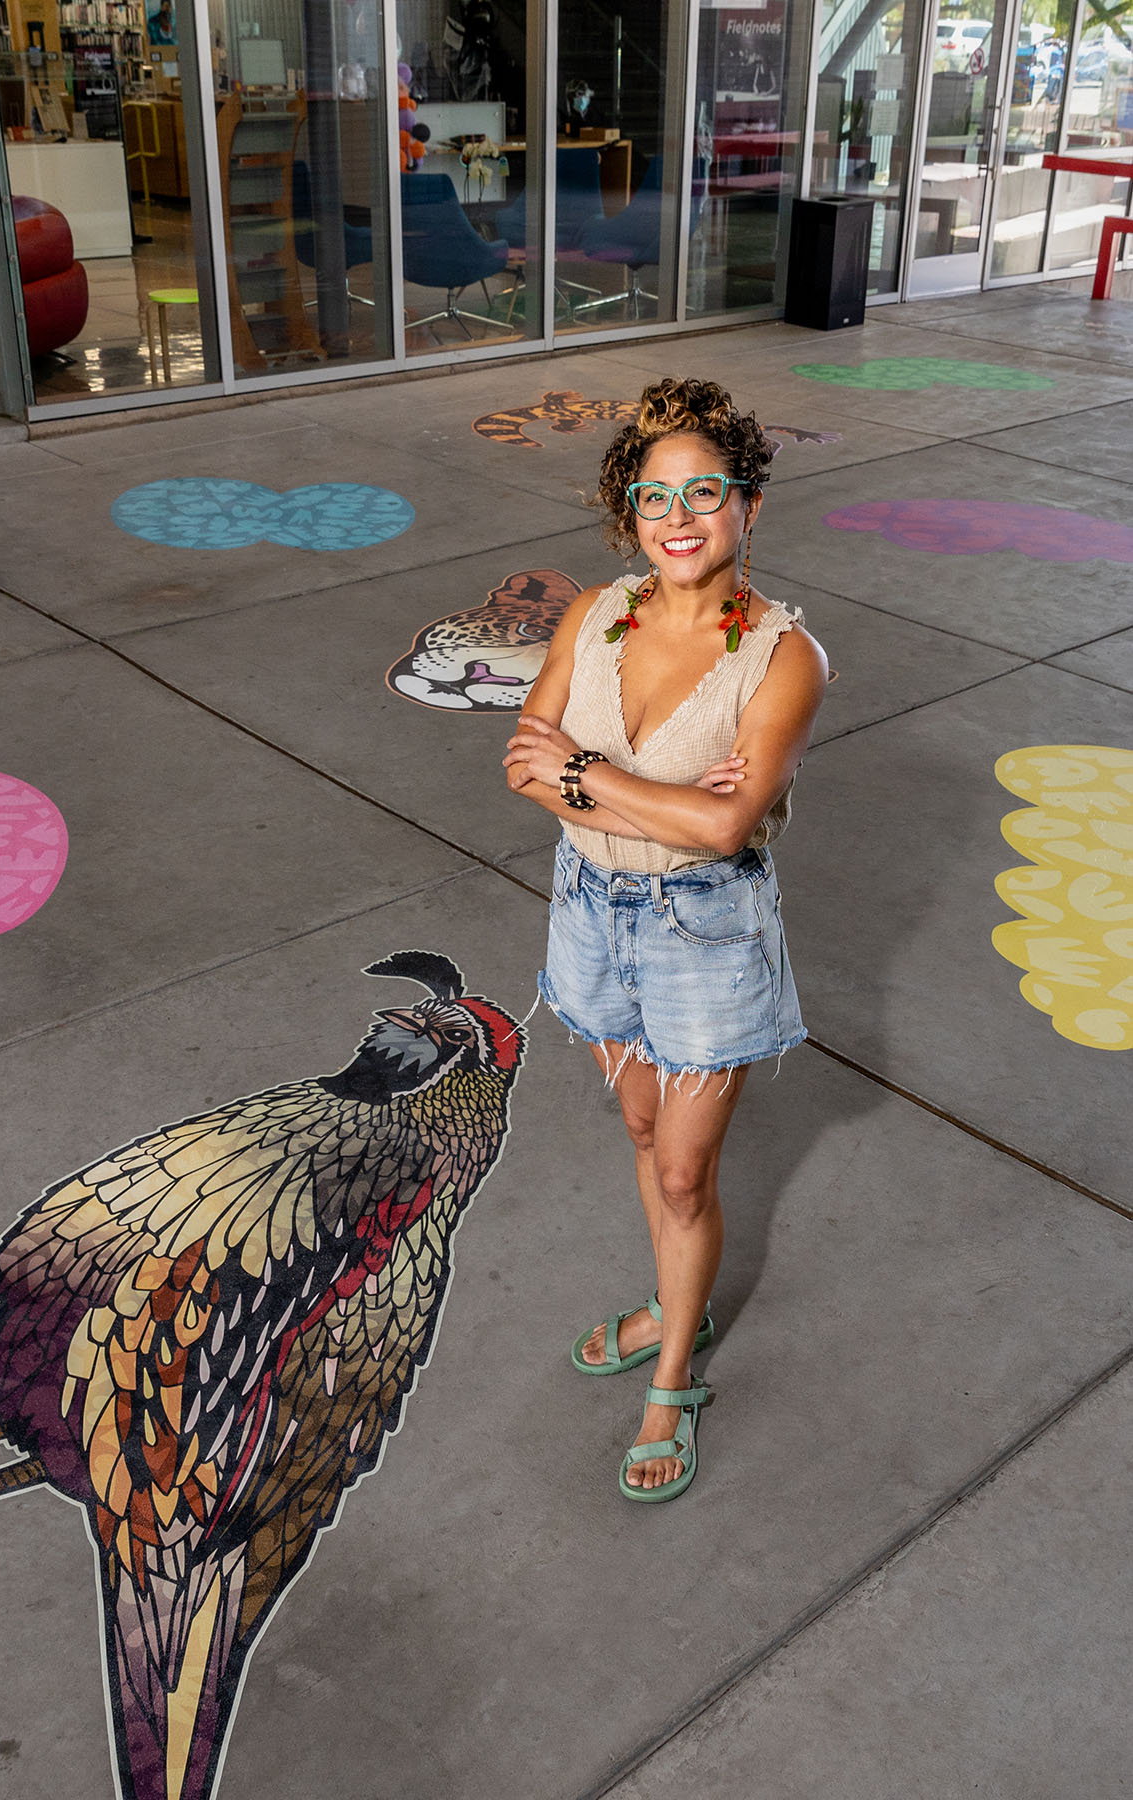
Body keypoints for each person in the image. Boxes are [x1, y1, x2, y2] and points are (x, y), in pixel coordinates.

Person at [502, 377, 827, 1504]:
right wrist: (661, 802)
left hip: (709, 931)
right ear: (627, 515)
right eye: (653, 497)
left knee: (684, 1172)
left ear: (749, 505)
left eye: (704, 491)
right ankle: (666, 1298)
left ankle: (674, 1374)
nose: (678, 516)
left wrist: (588, 776)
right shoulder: (594, 614)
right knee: (639, 1128)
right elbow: (520, 758)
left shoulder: (783, 659)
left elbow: (726, 827)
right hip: (589, 909)